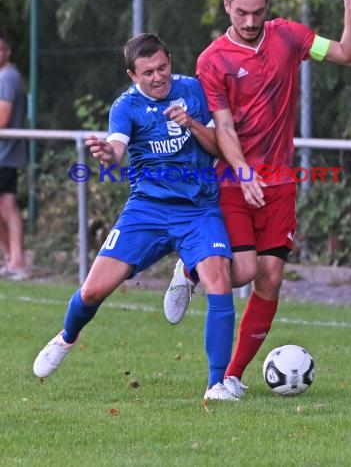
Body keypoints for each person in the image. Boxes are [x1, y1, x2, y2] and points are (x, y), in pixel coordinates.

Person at [164, 0, 351, 397]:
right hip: (233, 182)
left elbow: (349, 55)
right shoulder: (212, 60)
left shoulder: (290, 37)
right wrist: (243, 172)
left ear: (267, 5)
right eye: (242, 13)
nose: (251, 21)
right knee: (244, 269)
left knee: (270, 277)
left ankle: (231, 377)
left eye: (258, 12)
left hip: (280, 184)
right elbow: (223, 127)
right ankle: (191, 266)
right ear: (227, 7)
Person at [33, 33, 237, 401]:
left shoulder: (193, 90)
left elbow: (219, 148)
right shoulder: (125, 107)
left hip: (199, 209)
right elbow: (116, 149)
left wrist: (191, 123)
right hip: (148, 211)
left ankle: (216, 384)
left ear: (170, 60)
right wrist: (105, 154)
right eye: (148, 73)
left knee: (220, 282)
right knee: (94, 289)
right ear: (132, 75)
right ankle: (66, 338)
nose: (158, 77)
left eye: (163, 67)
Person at [0, 31, 28, 280]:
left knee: (7, 205)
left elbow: (3, 118)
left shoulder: (8, 77)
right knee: (4, 205)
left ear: (7, 51)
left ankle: (17, 260)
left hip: (4, 154)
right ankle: (11, 259)